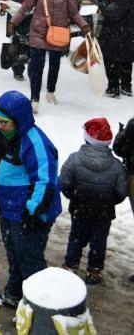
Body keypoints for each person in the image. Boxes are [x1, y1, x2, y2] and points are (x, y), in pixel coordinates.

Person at [0, 91, 61, 306]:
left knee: (30, 257)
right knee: (13, 250)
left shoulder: (36, 142)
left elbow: (45, 180)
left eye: (5, 123)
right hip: (8, 205)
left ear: (19, 121)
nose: (0, 127)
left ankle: (40, 305)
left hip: (30, 210)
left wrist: (33, 209)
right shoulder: (1, 136)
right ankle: (15, 292)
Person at [9, 0, 91, 110]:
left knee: (54, 64)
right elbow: (24, 9)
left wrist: (84, 26)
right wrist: (13, 23)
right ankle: (34, 98)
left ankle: (51, 90)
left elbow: (74, 13)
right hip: (38, 32)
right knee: (37, 65)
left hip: (58, 33)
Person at [59, 117, 128, 285]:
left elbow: (64, 182)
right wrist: (109, 201)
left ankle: (71, 265)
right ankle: (94, 270)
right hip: (103, 212)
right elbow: (122, 191)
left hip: (79, 207)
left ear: (87, 138)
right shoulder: (117, 166)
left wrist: (73, 195)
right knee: (99, 240)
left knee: (76, 236)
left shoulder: (74, 159)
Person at [98, 0, 134, 97]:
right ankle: (126, 86)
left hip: (117, 33)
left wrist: (102, 3)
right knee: (126, 59)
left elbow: (113, 14)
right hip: (129, 33)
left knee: (111, 59)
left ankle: (113, 89)